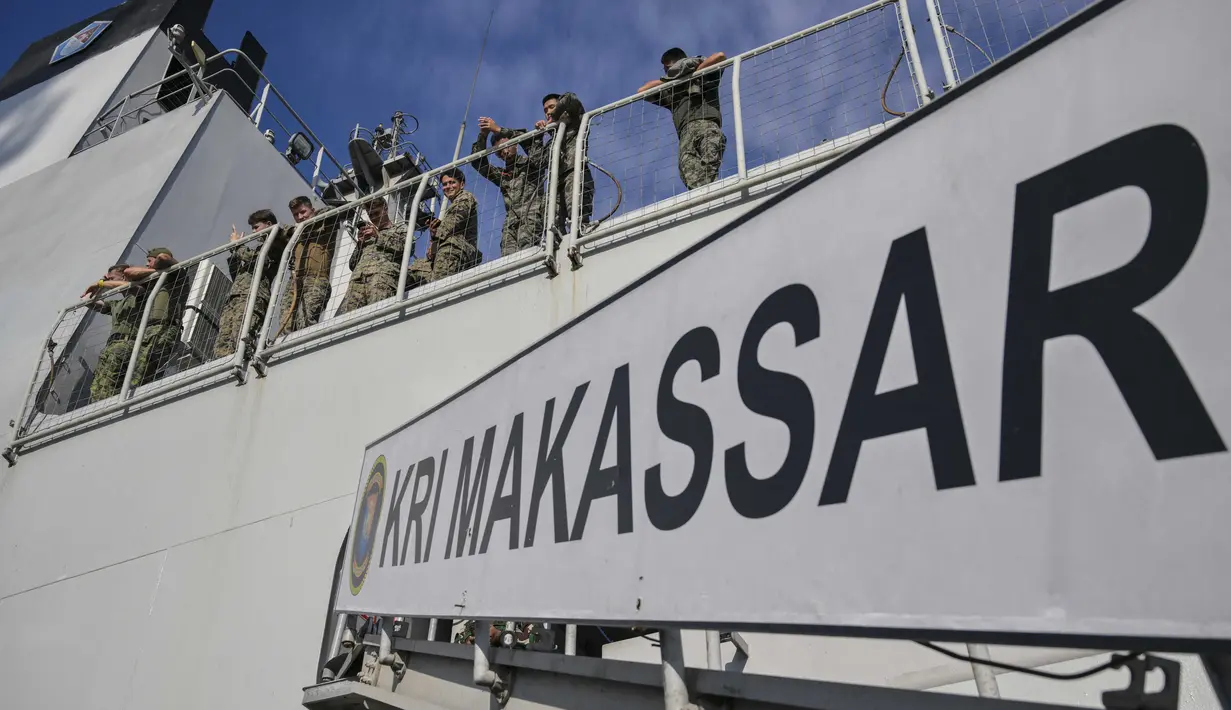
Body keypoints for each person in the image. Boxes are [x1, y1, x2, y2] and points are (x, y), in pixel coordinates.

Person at [493, 93, 593, 237]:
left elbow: (571, 98)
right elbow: (539, 161)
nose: (548, 112)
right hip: (555, 183)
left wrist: (555, 116)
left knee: (578, 220)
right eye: (545, 110)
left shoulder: (574, 121)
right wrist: (539, 138)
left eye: (551, 107)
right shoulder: (552, 141)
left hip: (574, 174)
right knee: (549, 221)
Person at [638, 48, 728, 190]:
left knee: (709, 169)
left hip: (708, 127)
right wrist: (672, 80)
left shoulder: (704, 75)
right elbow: (642, 91)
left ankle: (711, 198)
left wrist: (693, 71)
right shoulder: (672, 91)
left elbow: (720, 57)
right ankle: (705, 199)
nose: (665, 72)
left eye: (666, 69)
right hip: (685, 136)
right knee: (690, 175)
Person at [214, 209, 288, 358]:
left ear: (268, 224)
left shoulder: (275, 244)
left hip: (253, 296)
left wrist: (238, 245)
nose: (253, 232)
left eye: (256, 227)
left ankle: (241, 363)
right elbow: (238, 274)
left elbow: (257, 260)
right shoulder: (260, 247)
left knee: (241, 335)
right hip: (236, 296)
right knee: (224, 340)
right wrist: (234, 251)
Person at [474, 117, 546, 256]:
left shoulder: (531, 162)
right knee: (507, 262)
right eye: (499, 151)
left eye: (507, 146)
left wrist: (498, 129)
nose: (505, 152)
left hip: (531, 215)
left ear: (515, 145)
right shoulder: (502, 174)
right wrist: (483, 135)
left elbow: (530, 142)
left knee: (527, 254)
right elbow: (478, 164)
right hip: (511, 224)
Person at [121, 247, 188, 386]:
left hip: (166, 327)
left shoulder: (177, 273)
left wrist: (159, 269)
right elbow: (128, 273)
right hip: (150, 330)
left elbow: (164, 257)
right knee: (139, 369)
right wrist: (155, 272)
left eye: (149, 261)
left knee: (151, 366)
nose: (146, 264)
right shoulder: (154, 277)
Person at [407, 168, 479, 287]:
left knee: (440, 287)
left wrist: (437, 236)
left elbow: (455, 220)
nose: (448, 186)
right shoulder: (453, 205)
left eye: (452, 182)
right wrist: (434, 233)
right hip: (446, 249)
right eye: (445, 184)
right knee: (414, 271)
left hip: (456, 249)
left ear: (462, 184)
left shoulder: (465, 197)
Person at [337, 197, 407, 314]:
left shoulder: (399, 228)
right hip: (357, 280)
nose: (374, 217)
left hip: (381, 279)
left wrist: (378, 235)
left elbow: (404, 247)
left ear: (385, 208)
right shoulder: (367, 237)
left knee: (378, 315)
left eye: (376, 213)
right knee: (347, 319)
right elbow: (352, 265)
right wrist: (360, 244)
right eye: (370, 215)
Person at [279, 195, 337, 335]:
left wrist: (299, 227)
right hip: (294, 281)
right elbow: (279, 234)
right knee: (285, 322)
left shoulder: (325, 222)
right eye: (295, 215)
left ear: (312, 209)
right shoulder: (296, 233)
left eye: (303, 212)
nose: (300, 217)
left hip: (316, 279)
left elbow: (332, 210)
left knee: (306, 320)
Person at [82, 265, 140, 402]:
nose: (108, 282)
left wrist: (102, 283)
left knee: (112, 384)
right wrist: (102, 282)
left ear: (124, 276)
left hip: (128, 343)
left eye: (112, 278)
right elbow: (86, 300)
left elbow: (129, 287)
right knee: (98, 387)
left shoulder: (139, 294)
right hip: (112, 347)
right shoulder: (116, 304)